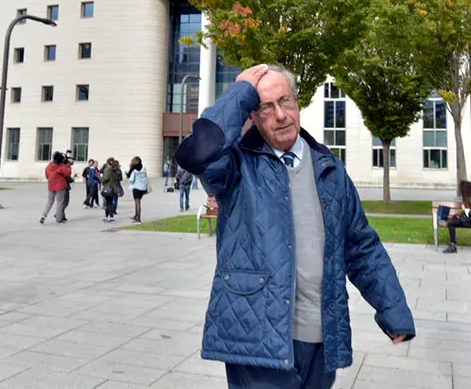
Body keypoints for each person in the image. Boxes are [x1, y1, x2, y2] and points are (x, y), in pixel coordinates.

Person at [174, 64, 415, 388]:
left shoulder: (329, 168)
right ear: (252, 116)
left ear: (297, 102)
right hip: (258, 342)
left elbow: (361, 245)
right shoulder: (236, 166)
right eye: (265, 107)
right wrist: (240, 92)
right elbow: (199, 154)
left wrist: (393, 309)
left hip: (322, 340)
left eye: (285, 101)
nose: (280, 115)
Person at [41, 152, 72, 224]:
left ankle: (44, 215)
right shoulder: (61, 167)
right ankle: (59, 219)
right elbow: (67, 174)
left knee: (49, 202)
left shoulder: (48, 166)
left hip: (51, 186)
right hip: (60, 186)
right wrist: (68, 165)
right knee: (60, 203)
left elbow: (47, 176)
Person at [444, 180, 471, 253]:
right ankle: (452, 246)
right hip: (466, 221)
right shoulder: (467, 198)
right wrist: (459, 214)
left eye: (461, 189)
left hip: (468, 221)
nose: (460, 191)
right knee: (451, 223)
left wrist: (464, 209)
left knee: (453, 222)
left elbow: (469, 213)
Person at [127, 156, 148, 223]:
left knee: (137, 202)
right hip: (143, 188)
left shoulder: (134, 170)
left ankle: (138, 218)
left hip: (136, 187)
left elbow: (131, 179)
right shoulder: (143, 168)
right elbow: (145, 176)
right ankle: (136, 215)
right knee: (138, 202)